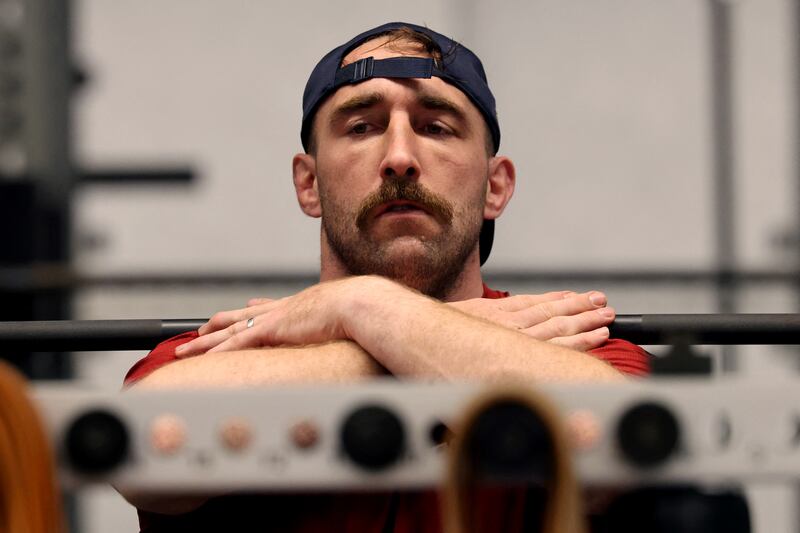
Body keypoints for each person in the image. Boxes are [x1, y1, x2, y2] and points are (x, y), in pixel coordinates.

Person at [120, 22, 649, 532]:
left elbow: (618, 451)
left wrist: (365, 308)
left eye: (436, 127)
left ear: (495, 187)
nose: (399, 157)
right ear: (308, 184)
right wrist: (392, 323)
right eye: (362, 127)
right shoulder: (218, 349)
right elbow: (148, 444)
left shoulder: (577, 339)